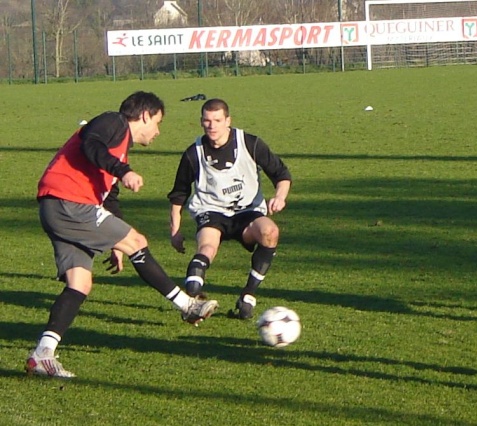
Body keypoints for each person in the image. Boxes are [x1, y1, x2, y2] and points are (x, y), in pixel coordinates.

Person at [29, 91, 219, 379]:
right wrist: (124, 170)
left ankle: (43, 353)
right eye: (158, 122)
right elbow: (90, 142)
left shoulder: (118, 150)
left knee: (79, 283)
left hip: (58, 208)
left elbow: (109, 198)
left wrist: (116, 244)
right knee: (138, 242)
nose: (158, 131)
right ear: (144, 115)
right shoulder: (112, 122)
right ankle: (188, 305)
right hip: (68, 202)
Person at [168, 98, 292, 320]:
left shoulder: (251, 144)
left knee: (270, 232)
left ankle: (248, 295)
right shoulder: (193, 153)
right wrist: (175, 230)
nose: (212, 126)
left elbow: (281, 174)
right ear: (201, 122)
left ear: (228, 121)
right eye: (207, 121)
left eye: (217, 120)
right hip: (211, 211)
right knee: (207, 248)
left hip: (247, 211)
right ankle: (192, 302)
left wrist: (280, 197)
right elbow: (179, 194)